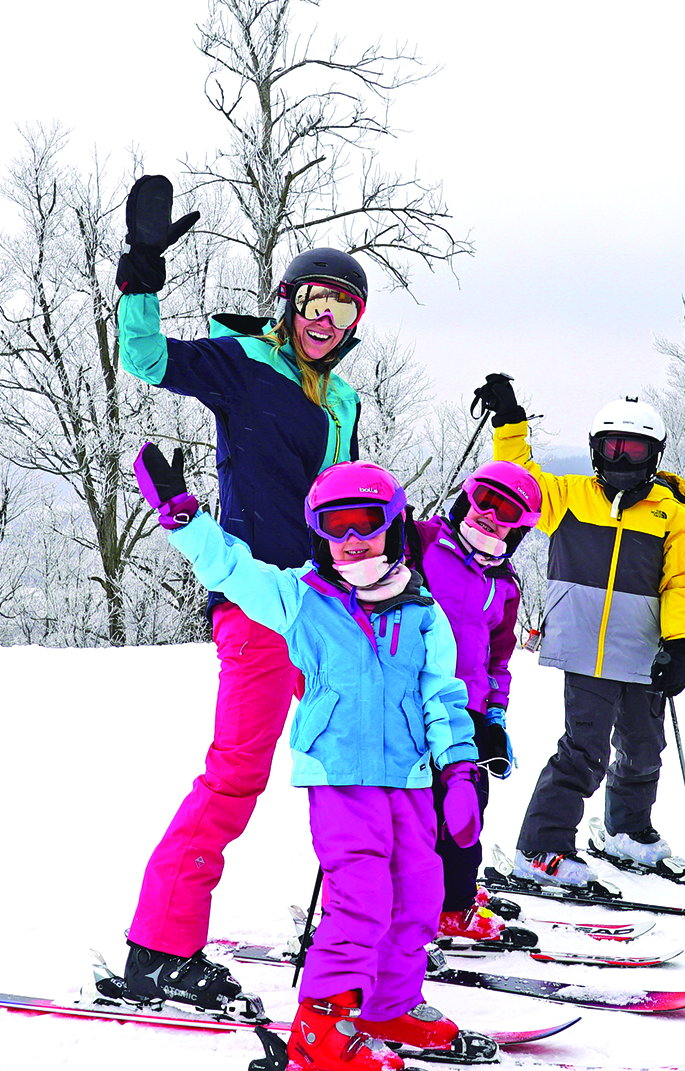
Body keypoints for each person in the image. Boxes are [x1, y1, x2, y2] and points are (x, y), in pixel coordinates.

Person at [134, 445, 481, 1071]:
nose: (352, 541)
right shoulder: (302, 600)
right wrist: (189, 523)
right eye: (335, 528)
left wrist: (458, 767)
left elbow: (443, 694)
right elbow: (234, 571)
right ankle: (321, 1027)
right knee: (362, 895)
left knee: (421, 892)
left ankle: (388, 1004)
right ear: (317, 535)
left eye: (366, 524)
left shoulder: (424, 614)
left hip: (409, 780)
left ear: (393, 527)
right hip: (341, 781)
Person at [111, 173, 368, 1010]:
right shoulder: (244, 362)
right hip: (257, 604)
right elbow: (143, 359)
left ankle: (364, 937)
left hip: (327, 612)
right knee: (235, 776)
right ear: (290, 302)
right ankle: (158, 948)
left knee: (359, 773)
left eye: (346, 309)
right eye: (317, 301)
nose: (327, 319)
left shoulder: (347, 402)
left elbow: (338, 502)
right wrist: (143, 269)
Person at [471, 375, 685, 881]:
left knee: (644, 750)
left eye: (635, 449)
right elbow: (518, 479)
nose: (623, 460)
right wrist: (511, 422)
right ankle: (543, 847)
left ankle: (626, 830)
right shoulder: (569, 498)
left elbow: (684, 582)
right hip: (585, 654)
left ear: (654, 455)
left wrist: (679, 644)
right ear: (596, 450)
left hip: (644, 654)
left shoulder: (670, 515)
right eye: (613, 448)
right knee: (584, 752)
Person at [411, 459, 541, 942]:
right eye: (482, 499)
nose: (489, 514)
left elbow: (499, 658)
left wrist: (495, 713)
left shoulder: (503, 585)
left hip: (467, 712)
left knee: (470, 806)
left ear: (519, 530)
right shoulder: (423, 544)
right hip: (416, 702)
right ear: (466, 497)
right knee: (431, 806)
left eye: (505, 510)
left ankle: (454, 891)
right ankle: (450, 904)